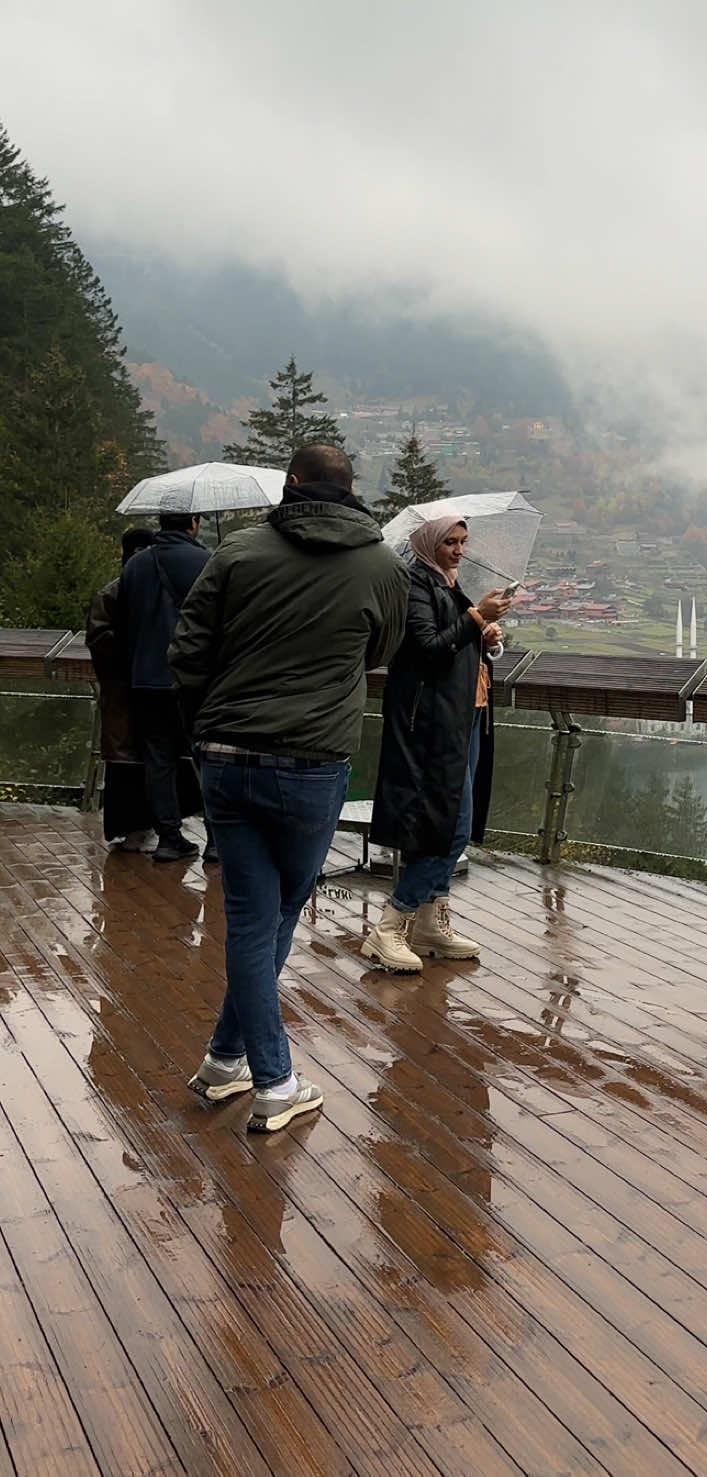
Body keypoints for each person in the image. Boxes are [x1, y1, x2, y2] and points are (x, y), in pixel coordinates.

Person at [171, 444, 408, 1133]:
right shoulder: (383, 567)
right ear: (352, 489)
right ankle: (275, 1080)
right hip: (313, 762)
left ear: (292, 485)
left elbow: (186, 652)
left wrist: (212, 718)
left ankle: (224, 1060)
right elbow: (381, 652)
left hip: (225, 755)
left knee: (255, 913)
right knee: (276, 912)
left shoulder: (239, 551)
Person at [365, 517, 511, 973]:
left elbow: (459, 643)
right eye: (450, 541)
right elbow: (426, 645)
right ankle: (391, 924)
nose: (458, 550)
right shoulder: (416, 584)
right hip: (431, 723)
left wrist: (488, 638)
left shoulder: (449, 584)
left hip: (466, 715)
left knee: (446, 822)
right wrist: (475, 619)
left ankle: (429, 919)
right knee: (450, 825)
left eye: (464, 542)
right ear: (430, 543)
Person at [116, 512, 212, 862]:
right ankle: (217, 840)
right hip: (192, 681)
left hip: (144, 679)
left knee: (159, 760)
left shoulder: (137, 566)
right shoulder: (206, 562)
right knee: (206, 758)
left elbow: (123, 624)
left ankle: (170, 838)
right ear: (194, 523)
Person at [86, 527, 157, 849]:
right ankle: (131, 829)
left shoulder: (137, 592)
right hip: (124, 692)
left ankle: (151, 826)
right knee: (126, 763)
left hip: (143, 689)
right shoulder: (113, 594)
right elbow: (100, 641)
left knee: (148, 760)